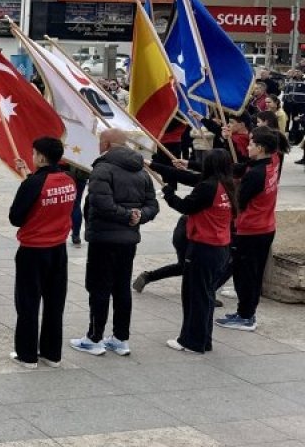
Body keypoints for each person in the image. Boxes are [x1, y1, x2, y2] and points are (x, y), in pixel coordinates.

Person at [70, 129, 158, 357]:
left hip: (104, 238)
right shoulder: (141, 170)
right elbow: (152, 205)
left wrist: (127, 215)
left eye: (100, 142)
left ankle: (94, 338)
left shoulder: (102, 168)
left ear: (106, 144)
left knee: (98, 288)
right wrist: (139, 215)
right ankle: (120, 338)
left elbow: (101, 204)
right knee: (121, 288)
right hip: (128, 240)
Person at [7, 137, 76, 368]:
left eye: (34, 153)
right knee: (55, 302)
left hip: (33, 250)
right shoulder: (69, 180)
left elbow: (15, 218)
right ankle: (52, 354)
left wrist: (29, 181)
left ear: (42, 157)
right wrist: (29, 175)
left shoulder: (34, 184)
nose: (32, 156)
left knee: (28, 303)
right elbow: (47, 193)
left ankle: (27, 355)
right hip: (58, 248)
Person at [161, 149, 236, 353]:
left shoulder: (207, 187)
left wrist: (168, 193)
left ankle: (192, 341)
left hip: (203, 246)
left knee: (195, 296)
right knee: (206, 295)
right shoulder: (228, 184)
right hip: (221, 247)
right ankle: (204, 339)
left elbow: (186, 206)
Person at [217, 128, 280, 332]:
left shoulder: (256, 175)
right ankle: (246, 312)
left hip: (251, 230)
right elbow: (240, 166)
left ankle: (246, 316)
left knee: (245, 275)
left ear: (261, 148)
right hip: (265, 227)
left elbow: (238, 201)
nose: (248, 146)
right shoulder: (272, 161)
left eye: (251, 144)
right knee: (253, 273)